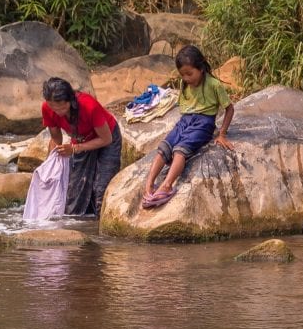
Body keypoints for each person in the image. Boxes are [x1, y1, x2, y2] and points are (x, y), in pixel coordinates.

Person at [141, 45, 234, 209]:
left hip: (204, 123)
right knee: (164, 147)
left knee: (180, 150)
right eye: (183, 75)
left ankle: (167, 185)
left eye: (190, 74)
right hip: (185, 120)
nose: (186, 78)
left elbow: (229, 108)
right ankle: (149, 184)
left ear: (201, 68)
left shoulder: (213, 85)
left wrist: (222, 134)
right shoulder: (185, 84)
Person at [41, 77, 122, 216]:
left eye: (61, 107)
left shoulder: (89, 106)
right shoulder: (48, 109)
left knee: (100, 192)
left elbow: (106, 139)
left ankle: (98, 230)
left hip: (107, 139)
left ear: (70, 101)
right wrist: (49, 166)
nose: (58, 111)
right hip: (81, 140)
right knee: (74, 196)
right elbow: (56, 139)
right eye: (53, 107)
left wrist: (74, 149)